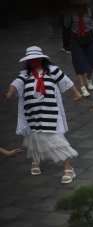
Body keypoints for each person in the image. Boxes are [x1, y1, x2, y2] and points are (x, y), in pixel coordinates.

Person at [4, 46, 81, 184]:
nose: (34, 61)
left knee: (58, 140)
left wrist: (76, 93)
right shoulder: (25, 74)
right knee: (34, 137)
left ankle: (68, 168)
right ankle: (35, 160)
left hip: (50, 113)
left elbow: (66, 81)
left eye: (36, 59)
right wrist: (9, 94)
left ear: (41, 59)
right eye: (31, 60)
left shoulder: (52, 71)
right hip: (32, 113)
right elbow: (16, 84)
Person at [64, 0, 93, 97]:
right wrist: (66, 15)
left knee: (92, 61)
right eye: (78, 5)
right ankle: (82, 87)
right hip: (76, 38)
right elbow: (67, 25)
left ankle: (89, 80)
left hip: (89, 37)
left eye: (82, 4)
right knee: (78, 62)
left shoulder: (90, 10)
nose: (80, 6)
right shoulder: (71, 11)